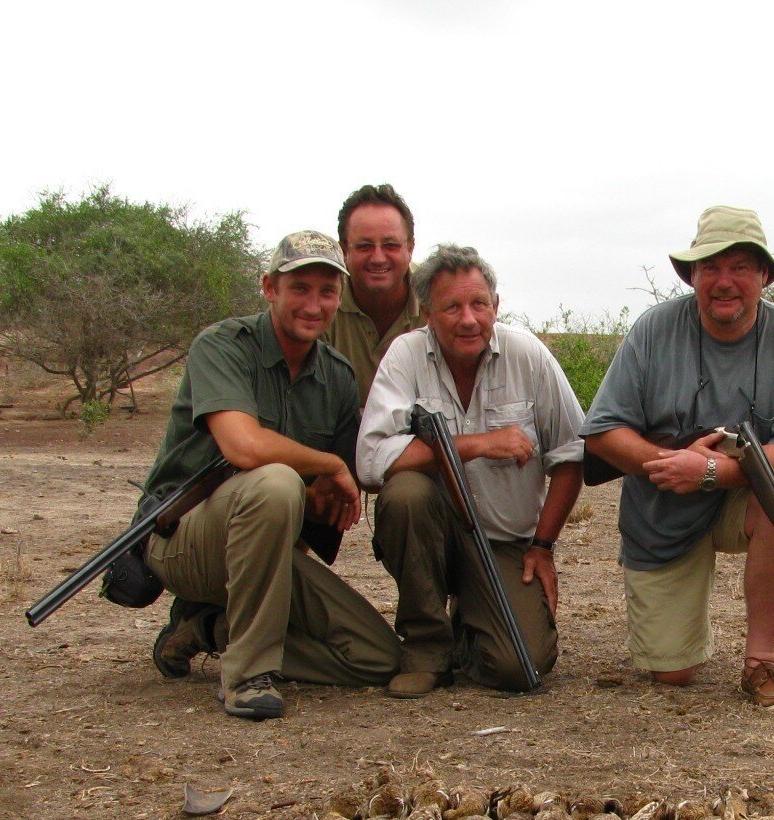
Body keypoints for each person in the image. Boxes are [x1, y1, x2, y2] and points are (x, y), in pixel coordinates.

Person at [141, 232, 400, 719]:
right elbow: (244, 446)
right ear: (269, 288)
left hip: (265, 552)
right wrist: (328, 466)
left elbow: (337, 492)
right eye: (299, 288)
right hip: (182, 539)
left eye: (327, 291)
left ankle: (210, 631)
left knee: (377, 658)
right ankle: (246, 677)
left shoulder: (338, 376)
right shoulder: (221, 345)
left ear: (339, 298)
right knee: (277, 482)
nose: (313, 304)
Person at [581, 205, 774, 710]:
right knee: (674, 675)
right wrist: (670, 463)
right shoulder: (652, 328)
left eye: (740, 267)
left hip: (738, 499)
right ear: (692, 274)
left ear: (764, 275)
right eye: (710, 267)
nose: (724, 281)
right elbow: (603, 432)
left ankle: (761, 662)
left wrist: (712, 472)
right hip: (663, 513)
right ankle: (686, 624)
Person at [357, 244, 585, 696]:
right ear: (426, 314)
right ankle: (426, 646)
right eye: (452, 307)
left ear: (496, 306)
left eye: (479, 304)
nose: (468, 319)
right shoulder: (405, 355)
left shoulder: (529, 355)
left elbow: (573, 453)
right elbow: (371, 461)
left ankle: (468, 624)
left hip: (505, 543)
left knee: (520, 669)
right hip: (434, 534)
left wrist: (543, 547)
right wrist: (475, 445)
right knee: (405, 494)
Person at [323, 184, 424, 405]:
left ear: (410, 247)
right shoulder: (321, 303)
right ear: (344, 250)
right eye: (365, 246)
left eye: (390, 245)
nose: (378, 258)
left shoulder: (437, 299)